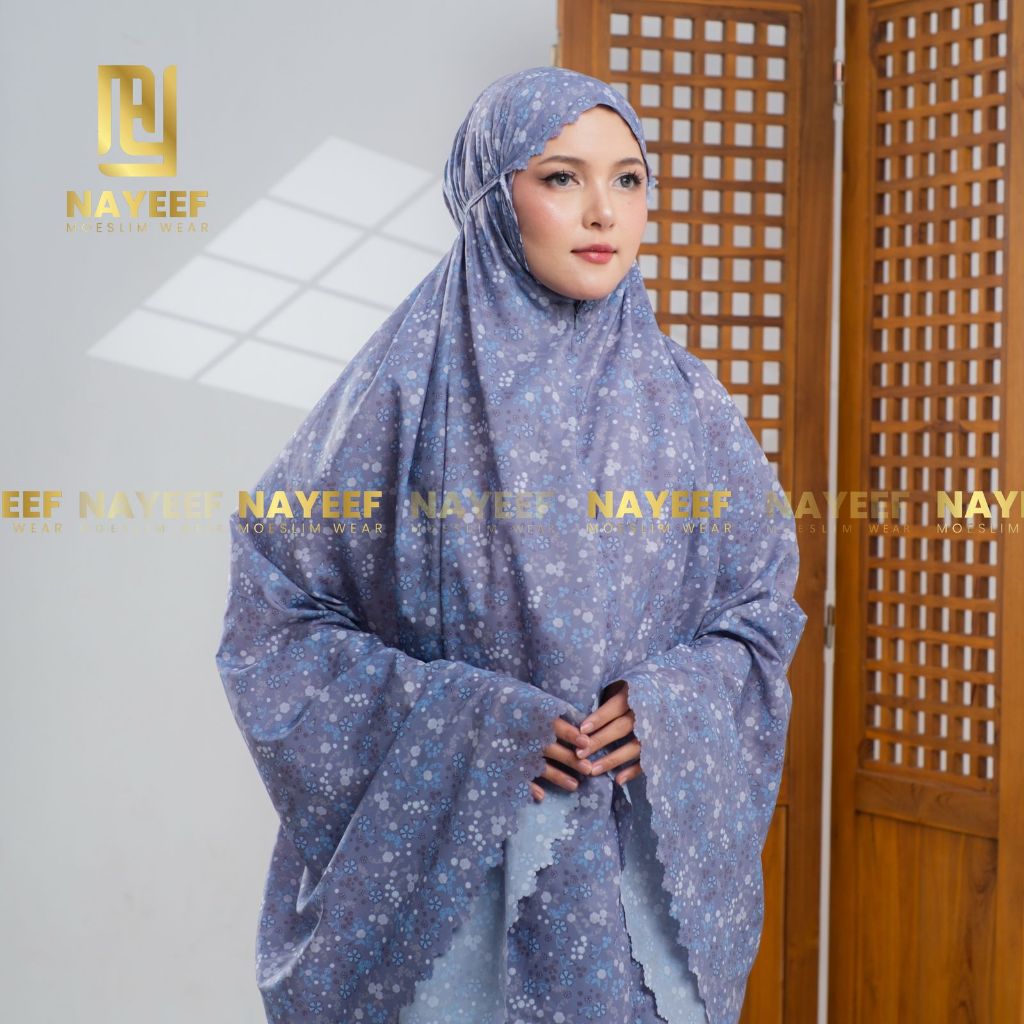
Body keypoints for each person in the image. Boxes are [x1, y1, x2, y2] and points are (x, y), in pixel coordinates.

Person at [215, 66, 807, 1024]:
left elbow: (760, 606)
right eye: (562, 177)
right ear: (494, 197)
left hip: (620, 898)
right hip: (450, 887)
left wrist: (667, 706)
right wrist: (472, 726)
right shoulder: (402, 393)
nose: (603, 211)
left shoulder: (690, 406)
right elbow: (274, 615)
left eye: (628, 179)